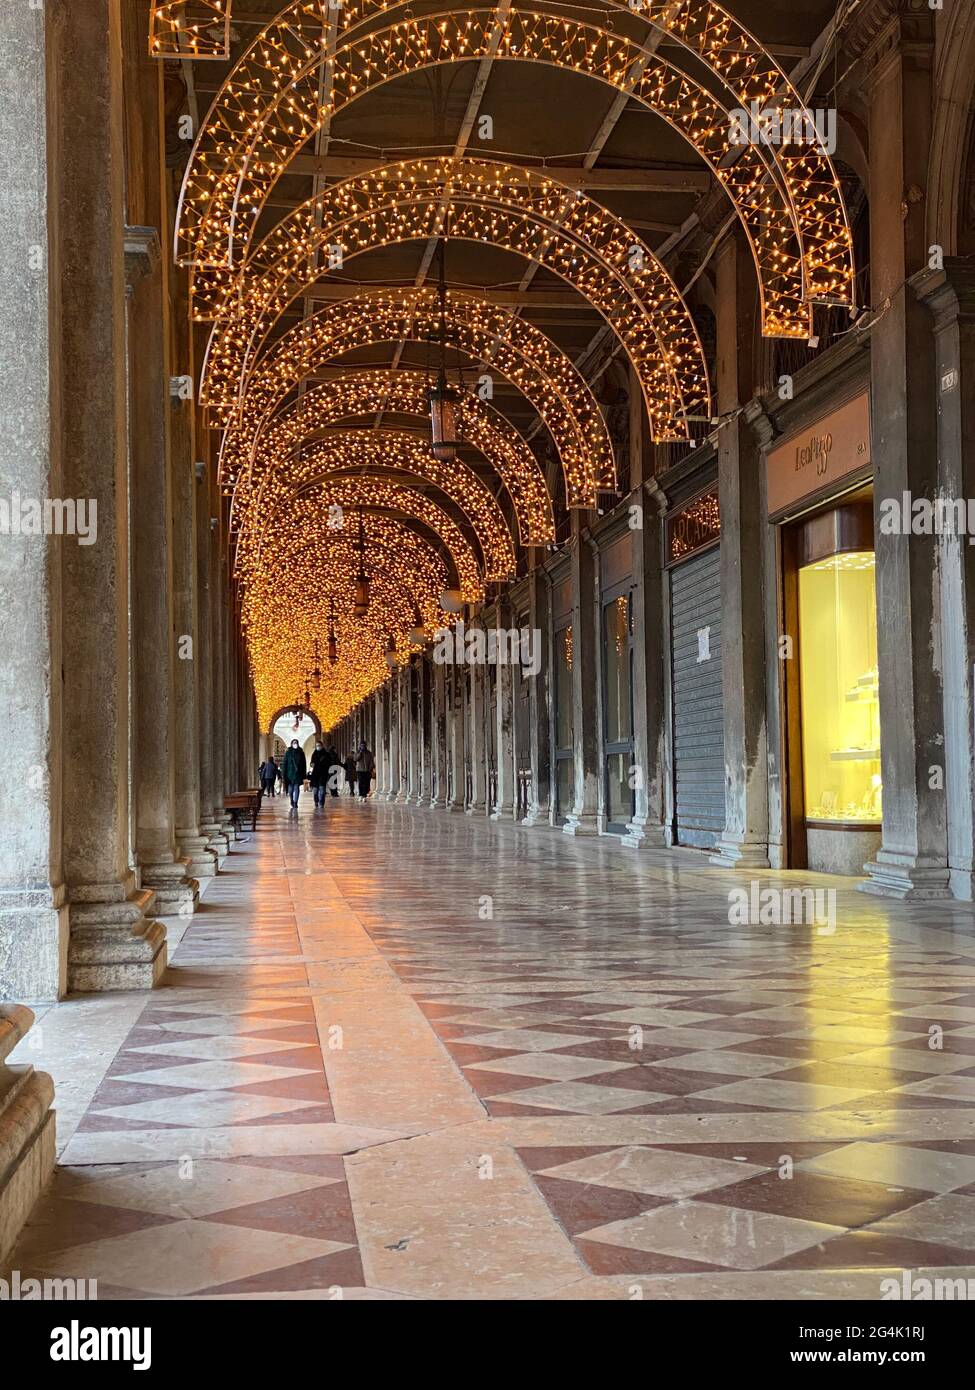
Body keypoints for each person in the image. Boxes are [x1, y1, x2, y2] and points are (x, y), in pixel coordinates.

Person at [282, 738, 307, 811]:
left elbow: (303, 764)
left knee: (296, 788)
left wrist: (303, 775)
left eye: (296, 742)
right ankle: (291, 800)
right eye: (294, 743)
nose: (295, 744)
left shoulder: (301, 752)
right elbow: (285, 764)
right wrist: (284, 774)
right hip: (289, 774)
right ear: (291, 744)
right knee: (290, 789)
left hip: (298, 774)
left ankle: (295, 802)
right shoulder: (288, 753)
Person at [308, 740, 330, 808]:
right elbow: (311, 763)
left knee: (322, 790)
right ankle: (316, 801)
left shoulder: (326, 754)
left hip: (323, 774)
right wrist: (312, 764)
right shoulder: (314, 754)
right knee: (315, 791)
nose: (318, 747)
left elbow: (329, 763)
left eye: (319, 745)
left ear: (322, 746)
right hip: (315, 775)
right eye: (317, 746)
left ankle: (321, 803)